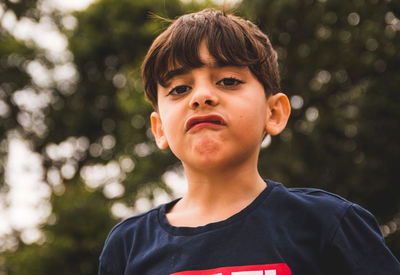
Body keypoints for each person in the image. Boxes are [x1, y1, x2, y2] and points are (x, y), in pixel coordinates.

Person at [98, 8, 400, 275]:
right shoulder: (128, 246)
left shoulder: (329, 224)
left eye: (228, 81)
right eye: (179, 89)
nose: (201, 96)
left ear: (274, 113)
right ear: (159, 128)